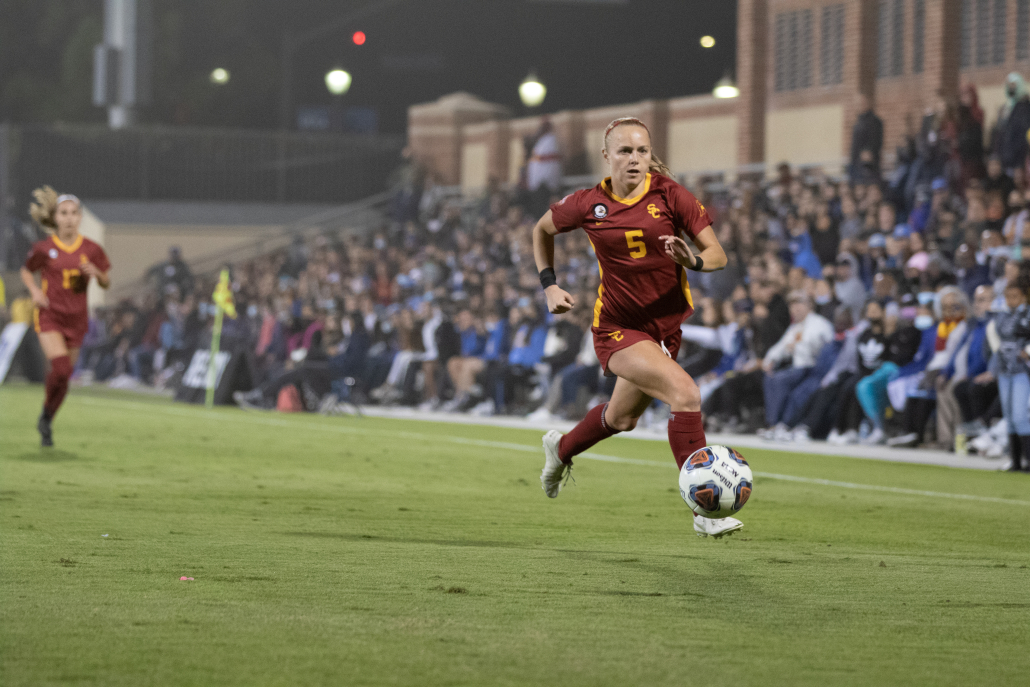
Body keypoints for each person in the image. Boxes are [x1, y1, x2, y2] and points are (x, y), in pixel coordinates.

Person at [531, 116, 737, 539]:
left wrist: (691, 261)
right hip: (618, 328)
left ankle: (561, 448)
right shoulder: (588, 203)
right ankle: (704, 509)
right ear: (606, 157)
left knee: (621, 419)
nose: (635, 159)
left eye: (642, 151)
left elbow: (718, 255)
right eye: (625, 151)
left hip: (665, 329)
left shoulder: (671, 195)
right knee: (685, 394)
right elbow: (542, 229)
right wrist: (549, 285)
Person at [19, 187, 111, 446]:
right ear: (55, 217)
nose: (69, 218)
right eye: (64, 213)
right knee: (60, 368)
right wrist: (35, 290)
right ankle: (46, 416)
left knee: (64, 378)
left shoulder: (92, 249)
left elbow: (106, 282)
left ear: (80, 217)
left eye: (73, 213)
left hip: (77, 319)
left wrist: (97, 273)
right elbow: (26, 271)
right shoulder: (44, 248)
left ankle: (46, 416)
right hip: (50, 316)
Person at [990, 279, 1030, 471]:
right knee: (1009, 415)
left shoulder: (1027, 314)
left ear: (1024, 296)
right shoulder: (1003, 315)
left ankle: (1028, 459)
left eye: (1015, 297)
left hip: (1022, 368)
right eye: (1008, 297)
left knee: (1020, 414)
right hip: (1005, 367)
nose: (1011, 301)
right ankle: (1015, 460)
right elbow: (996, 335)